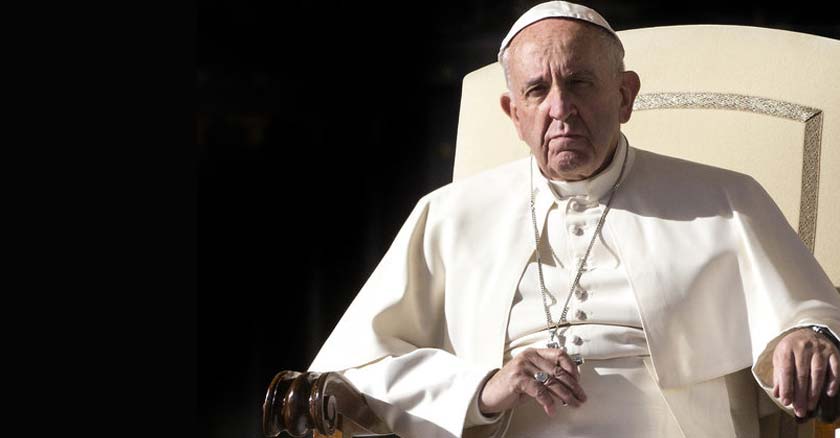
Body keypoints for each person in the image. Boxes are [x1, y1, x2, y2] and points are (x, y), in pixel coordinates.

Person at [308, 2, 840, 437]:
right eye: (536, 90)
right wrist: (481, 389)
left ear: (625, 95)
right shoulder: (448, 215)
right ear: (514, 115)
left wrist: (807, 335)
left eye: (580, 83)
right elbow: (354, 371)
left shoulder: (726, 198)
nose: (560, 108)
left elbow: (809, 315)